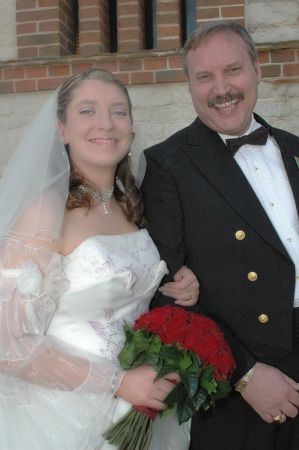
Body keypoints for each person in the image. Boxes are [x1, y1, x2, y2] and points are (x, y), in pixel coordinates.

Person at [0, 68, 200, 449]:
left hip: (140, 408)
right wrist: (118, 382)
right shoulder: (44, 213)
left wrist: (179, 283)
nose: (106, 124)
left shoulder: (132, 205)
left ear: (131, 127)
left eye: (118, 112)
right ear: (62, 130)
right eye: (87, 111)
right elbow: (8, 346)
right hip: (65, 417)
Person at [141, 20, 299, 450]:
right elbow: (162, 294)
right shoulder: (166, 165)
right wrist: (245, 374)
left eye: (232, 70)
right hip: (242, 384)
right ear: (189, 85)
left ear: (257, 69)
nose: (221, 88)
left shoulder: (294, 147)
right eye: (205, 77)